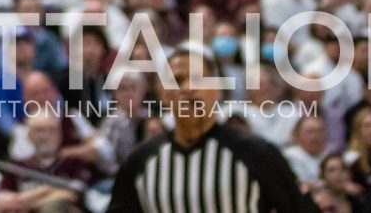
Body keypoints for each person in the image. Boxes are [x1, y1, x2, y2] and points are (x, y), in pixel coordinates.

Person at [104, 47, 308, 213]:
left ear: (217, 90)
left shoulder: (256, 154)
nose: (187, 88)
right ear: (162, 94)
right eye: (177, 80)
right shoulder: (140, 162)